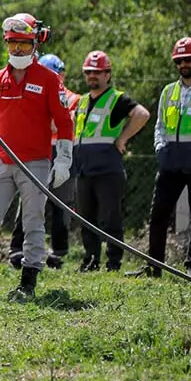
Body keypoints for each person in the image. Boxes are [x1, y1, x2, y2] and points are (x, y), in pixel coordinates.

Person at [0, 13, 73, 302]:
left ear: (35, 43)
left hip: (35, 163)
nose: (18, 50)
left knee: (33, 222)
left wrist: (63, 159)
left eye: (23, 43)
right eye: (13, 44)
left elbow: (65, 121)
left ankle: (27, 284)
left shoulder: (48, 80)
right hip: (2, 162)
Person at [68, 51, 150, 272]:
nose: (92, 76)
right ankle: (91, 260)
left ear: (108, 74)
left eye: (97, 72)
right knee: (87, 219)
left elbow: (142, 114)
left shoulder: (117, 99)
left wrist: (123, 138)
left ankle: (113, 263)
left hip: (107, 170)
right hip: (83, 169)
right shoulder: (82, 101)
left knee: (111, 218)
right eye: (89, 72)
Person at [133, 37, 191, 278]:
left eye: (188, 59)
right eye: (179, 61)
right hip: (170, 160)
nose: (183, 64)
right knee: (158, 214)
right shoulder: (168, 91)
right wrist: (160, 148)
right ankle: (154, 266)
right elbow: (159, 125)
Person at [9, 53, 78, 269]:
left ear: (63, 75)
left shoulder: (72, 98)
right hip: (37, 150)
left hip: (61, 152)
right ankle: (17, 249)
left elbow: (63, 125)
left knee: (60, 203)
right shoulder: (31, 91)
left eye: (56, 75)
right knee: (27, 201)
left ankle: (58, 253)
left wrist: (41, 121)